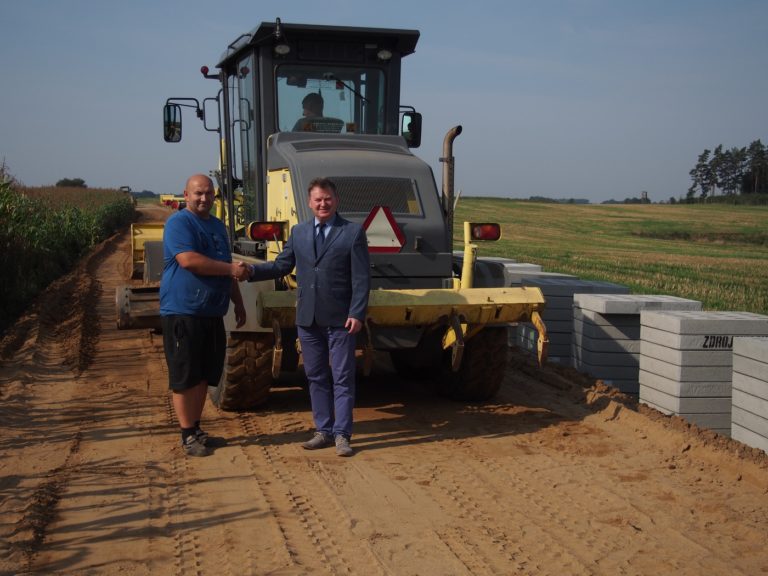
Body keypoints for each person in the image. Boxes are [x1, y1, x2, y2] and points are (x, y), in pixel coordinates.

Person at [246, 177, 370, 456]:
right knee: (315, 376)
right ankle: (322, 431)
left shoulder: (352, 232)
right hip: (308, 317)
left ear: (335, 201)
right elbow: (281, 265)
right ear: (309, 202)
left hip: (341, 319)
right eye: (318, 199)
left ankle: (342, 436)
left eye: (327, 198)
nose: (323, 203)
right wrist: (251, 271)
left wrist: (357, 312)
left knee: (342, 377)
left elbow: (361, 278)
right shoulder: (300, 232)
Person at [160, 173, 250, 457]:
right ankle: (187, 434)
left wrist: (238, 302)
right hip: (183, 311)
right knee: (185, 375)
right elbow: (189, 261)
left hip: (211, 311)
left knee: (202, 375)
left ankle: (196, 428)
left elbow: (225, 266)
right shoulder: (179, 223)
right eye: (198, 193)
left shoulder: (218, 226)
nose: (204, 198)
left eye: (209, 193)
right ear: (185, 195)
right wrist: (231, 270)